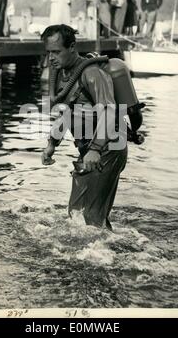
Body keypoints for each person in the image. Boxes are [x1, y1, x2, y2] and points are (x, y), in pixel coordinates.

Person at [40, 24, 128, 230]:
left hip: (108, 148)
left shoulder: (92, 73)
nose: (51, 58)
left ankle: (108, 257)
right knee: (78, 215)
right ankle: (100, 253)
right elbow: (67, 113)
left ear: (72, 47)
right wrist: (52, 143)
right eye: (48, 52)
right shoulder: (64, 76)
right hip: (89, 150)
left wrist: (96, 149)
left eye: (56, 52)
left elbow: (109, 111)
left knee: (88, 218)